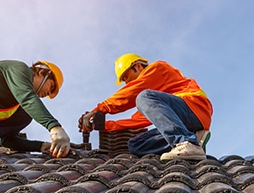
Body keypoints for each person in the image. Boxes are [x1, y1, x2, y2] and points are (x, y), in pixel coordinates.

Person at [80, 53, 213, 161]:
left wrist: (99, 109)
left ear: (137, 67)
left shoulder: (158, 68)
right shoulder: (154, 103)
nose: (127, 82)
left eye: (127, 76)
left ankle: (187, 142)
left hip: (194, 108)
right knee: (135, 145)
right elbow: (137, 121)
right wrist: (102, 126)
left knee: (143, 97)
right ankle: (193, 139)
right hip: (185, 123)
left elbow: (131, 93)